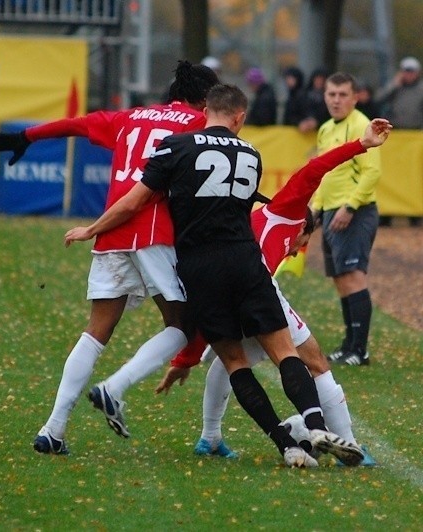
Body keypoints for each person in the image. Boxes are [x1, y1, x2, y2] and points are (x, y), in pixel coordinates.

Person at [63, 84, 364, 468]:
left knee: (234, 362)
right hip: (245, 260)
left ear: (206, 112)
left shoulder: (176, 147)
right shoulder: (252, 154)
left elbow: (137, 200)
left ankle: (286, 446)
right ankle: (316, 424)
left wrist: (93, 228)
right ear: (239, 117)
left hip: (199, 268)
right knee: (285, 352)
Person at [0, 61, 220, 454]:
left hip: (111, 231)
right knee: (182, 324)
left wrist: (26, 135)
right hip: (155, 231)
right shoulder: (198, 122)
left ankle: (53, 430)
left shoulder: (130, 116)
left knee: (96, 331)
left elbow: (76, 124)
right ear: (205, 99)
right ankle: (115, 387)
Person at [159, 119, 391, 467]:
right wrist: (362, 144)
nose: (299, 250)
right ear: (302, 226)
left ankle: (214, 438)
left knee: (232, 363)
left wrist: (185, 358)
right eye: (304, 241)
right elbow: (314, 169)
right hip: (253, 288)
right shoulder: (286, 211)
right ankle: (348, 445)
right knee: (312, 360)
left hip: (215, 284)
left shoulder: (251, 225)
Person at [312, 72, 382, 367]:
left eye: (343, 94)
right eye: (332, 94)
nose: (336, 100)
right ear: (324, 96)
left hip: (354, 212)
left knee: (353, 278)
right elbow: (324, 173)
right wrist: (315, 209)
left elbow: (372, 172)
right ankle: (349, 344)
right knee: (341, 279)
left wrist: (350, 207)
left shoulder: (362, 125)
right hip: (330, 210)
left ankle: (360, 350)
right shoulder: (326, 129)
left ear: (355, 97)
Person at [374, 56, 423, 227]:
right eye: (405, 71)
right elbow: (377, 99)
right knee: (391, 175)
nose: (408, 74)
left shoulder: (421, 89)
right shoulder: (395, 88)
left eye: (411, 71)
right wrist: (393, 85)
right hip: (395, 138)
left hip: (414, 138)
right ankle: (386, 213)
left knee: (412, 176)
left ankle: (414, 214)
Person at [298, 67, 331, 133]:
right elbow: (294, 113)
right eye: (317, 79)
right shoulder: (302, 95)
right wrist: (300, 122)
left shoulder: (331, 97)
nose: (319, 82)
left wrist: (317, 123)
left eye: (322, 80)